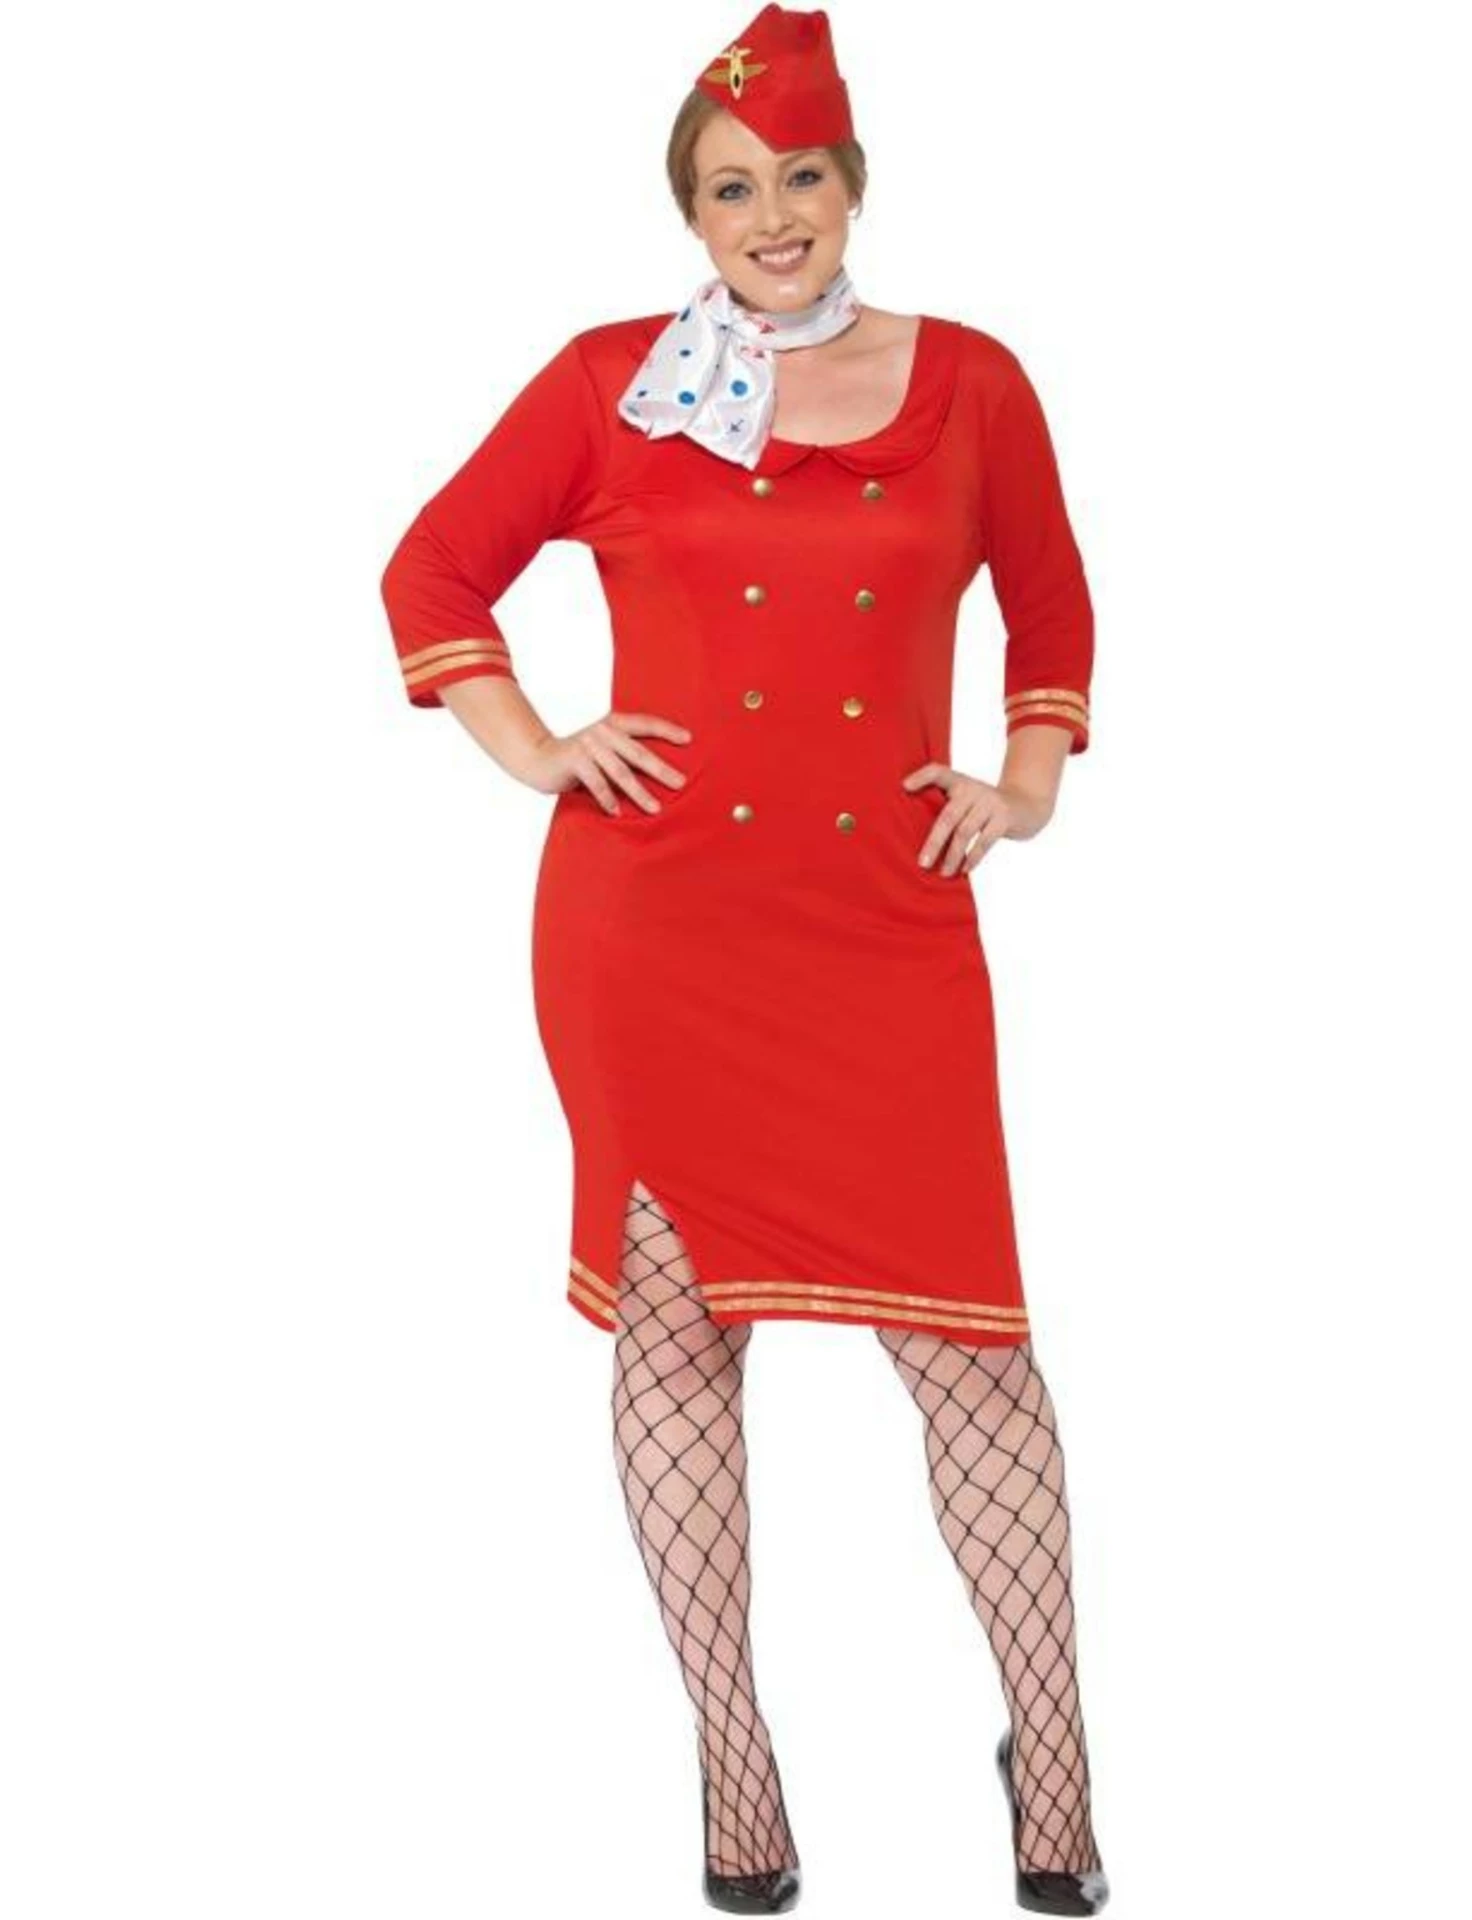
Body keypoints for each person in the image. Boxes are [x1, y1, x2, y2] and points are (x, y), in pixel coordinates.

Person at [378, 6, 1108, 1913]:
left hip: (887, 923)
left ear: (852, 185)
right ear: (689, 215)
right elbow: (431, 570)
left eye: (798, 177)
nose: (769, 215)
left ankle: (1056, 1751)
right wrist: (536, 744)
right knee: (679, 1330)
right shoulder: (612, 382)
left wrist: (1023, 785)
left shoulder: (974, 382)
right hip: (656, 924)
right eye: (728, 189)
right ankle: (734, 1752)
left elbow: (1050, 607)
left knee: (973, 1353)